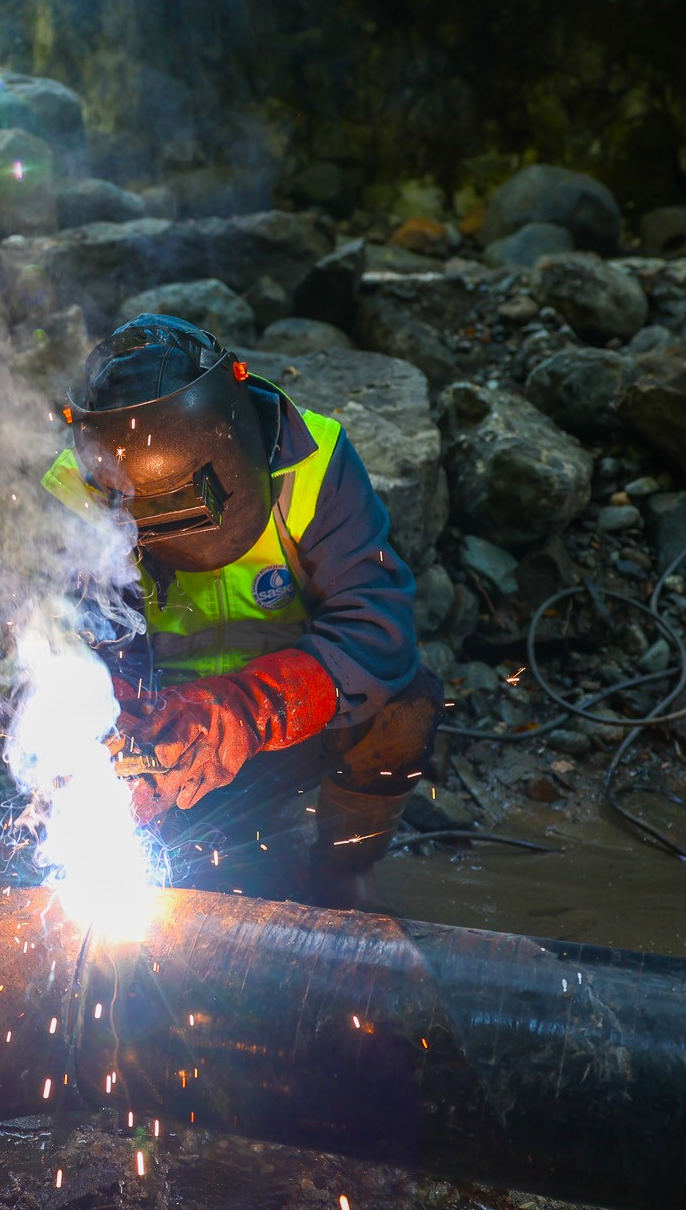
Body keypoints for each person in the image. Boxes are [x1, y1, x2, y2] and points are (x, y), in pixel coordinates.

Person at [43, 314, 444, 900]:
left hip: (295, 721)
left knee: (405, 706)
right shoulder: (79, 492)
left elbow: (378, 629)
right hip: (171, 742)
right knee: (170, 880)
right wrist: (124, 737)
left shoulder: (313, 460)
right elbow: (81, 652)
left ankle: (343, 870)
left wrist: (248, 708)